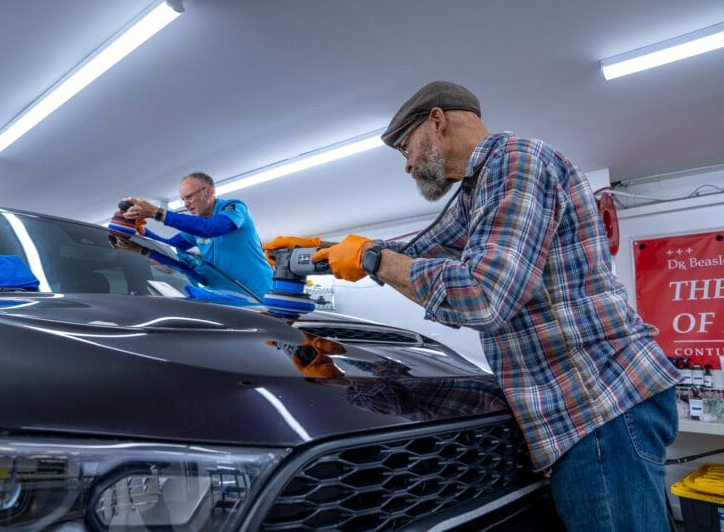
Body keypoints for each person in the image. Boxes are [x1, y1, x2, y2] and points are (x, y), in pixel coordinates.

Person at [263, 81, 682, 531]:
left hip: (599, 404)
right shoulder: (478, 192)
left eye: (406, 147)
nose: (406, 165)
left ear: (437, 121)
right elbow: (421, 252)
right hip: (583, 408)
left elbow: (485, 296)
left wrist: (371, 257)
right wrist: (323, 251)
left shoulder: (516, 162)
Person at [121, 171, 272, 298]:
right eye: (183, 200)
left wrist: (157, 213)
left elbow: (211, 228)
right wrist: (142, 233)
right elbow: (168, 248)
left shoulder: (234, 208)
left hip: (259, 295)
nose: (186, 203)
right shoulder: (196, 227)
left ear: (208, 191)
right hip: (224, 298)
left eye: (189, 196)